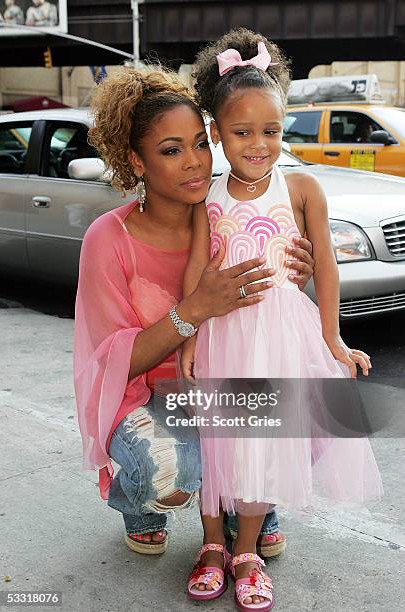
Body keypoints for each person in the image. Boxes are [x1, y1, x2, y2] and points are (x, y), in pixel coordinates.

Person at [73, 66, 316, 561]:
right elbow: (113, 360)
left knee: (308, 408)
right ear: (136, 162)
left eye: (200, 144)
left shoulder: (228, 214)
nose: (195, 163)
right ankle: (138, 503)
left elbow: (273, 308)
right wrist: (194, 311)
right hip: (145, 394)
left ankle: (246, 503)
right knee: (169, 469)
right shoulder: (108, 237)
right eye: (171, 150)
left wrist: (298, 277)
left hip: (228, 381)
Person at [182, 28, 383, 610]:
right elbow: (196, 267)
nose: (259, 144)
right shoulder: (209, 197)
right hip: (223, 334)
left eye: (271, 130)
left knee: (263, 446)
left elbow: (325, 268)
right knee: (219, 443)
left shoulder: (303, 186)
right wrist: (189, 334)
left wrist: (333, 338)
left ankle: (247, 552)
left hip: (280, 337)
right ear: (217, 134)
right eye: (242, 132)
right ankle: (212, 545)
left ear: (284, 123)